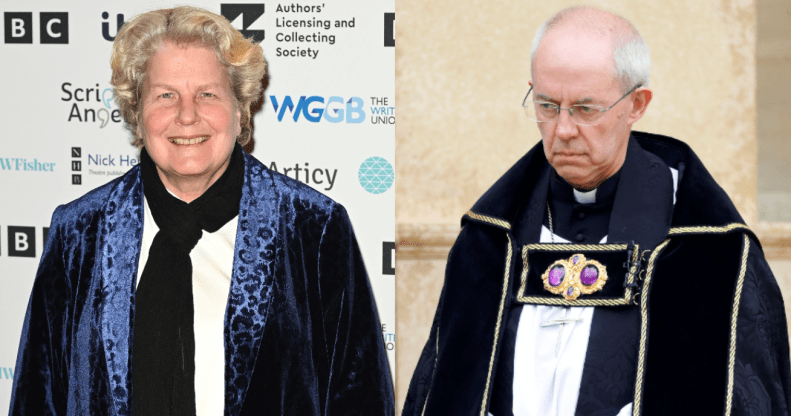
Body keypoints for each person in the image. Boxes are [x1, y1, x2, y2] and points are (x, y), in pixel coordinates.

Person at [403, 6, 791, 416]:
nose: (564, 130)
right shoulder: (490, 242)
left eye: (586, 109)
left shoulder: (709, 251)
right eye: (547, 106)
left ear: (637, 105)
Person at [9, 6, 394, 416]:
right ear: (137, 114)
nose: (187, 115)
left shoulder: (312, 228)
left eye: (207, 94)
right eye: (165, 95)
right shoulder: (79, 232)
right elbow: (38, 395)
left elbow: (360, 399)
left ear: (241, 109)